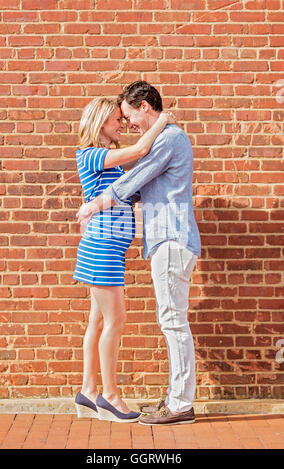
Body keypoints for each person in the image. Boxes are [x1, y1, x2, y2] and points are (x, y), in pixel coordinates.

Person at [76, 81, 202, 426]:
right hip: (136, 242)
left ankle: (179, 404)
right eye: (119, 119)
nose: (127, 123)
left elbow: (139, 173)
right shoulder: (109, 150)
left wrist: (99, 202)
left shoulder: (169, 138)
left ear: (144, 107)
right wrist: (101, 202)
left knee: (171, 321)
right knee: (108, 321)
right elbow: (138, 165)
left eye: (128, 115)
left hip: (171, 239)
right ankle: (97, 394)